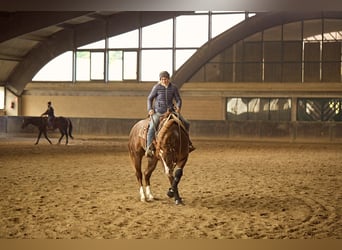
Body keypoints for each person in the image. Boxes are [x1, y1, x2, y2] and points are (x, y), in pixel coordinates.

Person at [145, 71, 195, 157]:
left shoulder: (174, 88)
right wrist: (150, 109)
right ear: (160, 79)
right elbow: (150, 98)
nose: (164, 80)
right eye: (162, 79)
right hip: (159, 112)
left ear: (169, 79)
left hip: (171, 111)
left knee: (186, 123)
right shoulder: (156, 87)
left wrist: (178, 107)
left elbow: (178, 99)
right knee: (152, 127)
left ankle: (188, 144)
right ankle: (148, 148)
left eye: (165, 79)